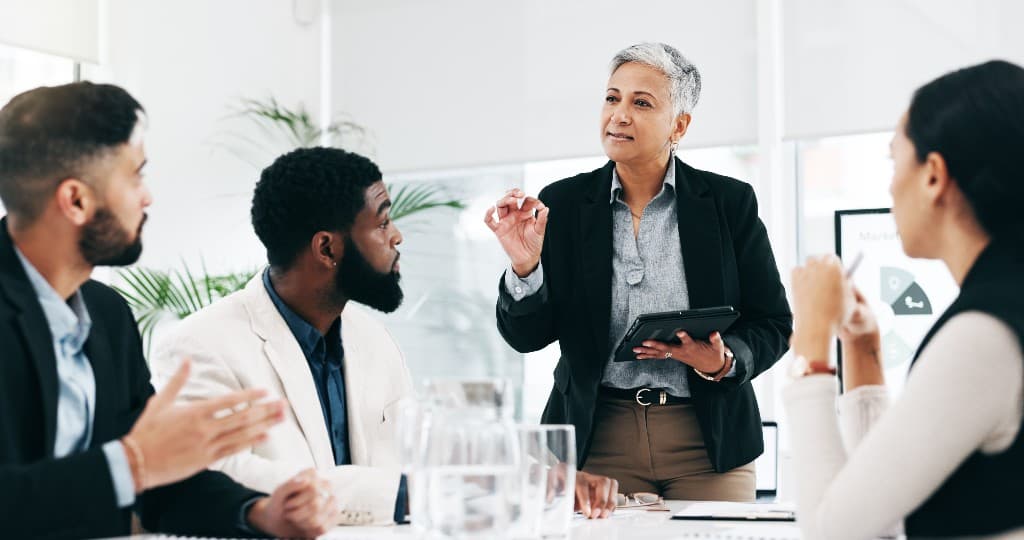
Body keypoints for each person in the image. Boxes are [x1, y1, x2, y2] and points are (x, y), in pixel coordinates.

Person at [0, 82, 339, 538]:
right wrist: (131, 464)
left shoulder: (106, 315)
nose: (147, 197)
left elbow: (159, 483)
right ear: (76, 200)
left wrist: (261, 513)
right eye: (135, 175)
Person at [486, 42, 791, 503]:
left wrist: (722, 360)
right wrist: (525, 266)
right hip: (595, 438)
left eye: (641, 102)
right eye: (612, 98)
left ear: (679, 125)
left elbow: (773, 323)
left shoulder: (730, 203)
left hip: (707, 441)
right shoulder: (564, 204)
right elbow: (527, 337)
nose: (619, 115)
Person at [785, 60, 1024, 539]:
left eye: (895, 162)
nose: (890, 185)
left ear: (933, 175)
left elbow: (832, 532)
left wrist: (810, 346)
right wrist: (862, 347)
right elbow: (887, 499)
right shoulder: (1004, 305)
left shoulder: (981, 337)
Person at [152, 147, 413, 525]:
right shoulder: (198, 346)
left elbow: (415, 459)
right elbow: (221, 476)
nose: (397, 236)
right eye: (382, 222)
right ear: (327, 248)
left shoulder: (376, 339)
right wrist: (398, 495)